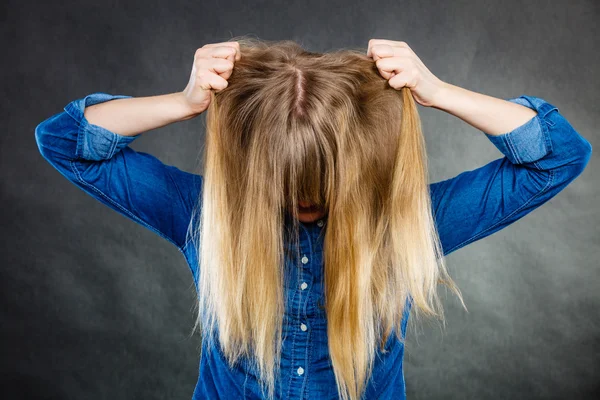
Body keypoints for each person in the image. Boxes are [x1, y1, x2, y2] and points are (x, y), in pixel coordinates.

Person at [35, 37, 592, 400]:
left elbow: (558, 156)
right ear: (253, 168)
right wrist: (185, 102)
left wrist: (437, 91)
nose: (304, 197)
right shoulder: (206, 218)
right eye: (286, 180)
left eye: (320, 179)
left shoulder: (402, 227)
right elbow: (63, 141)